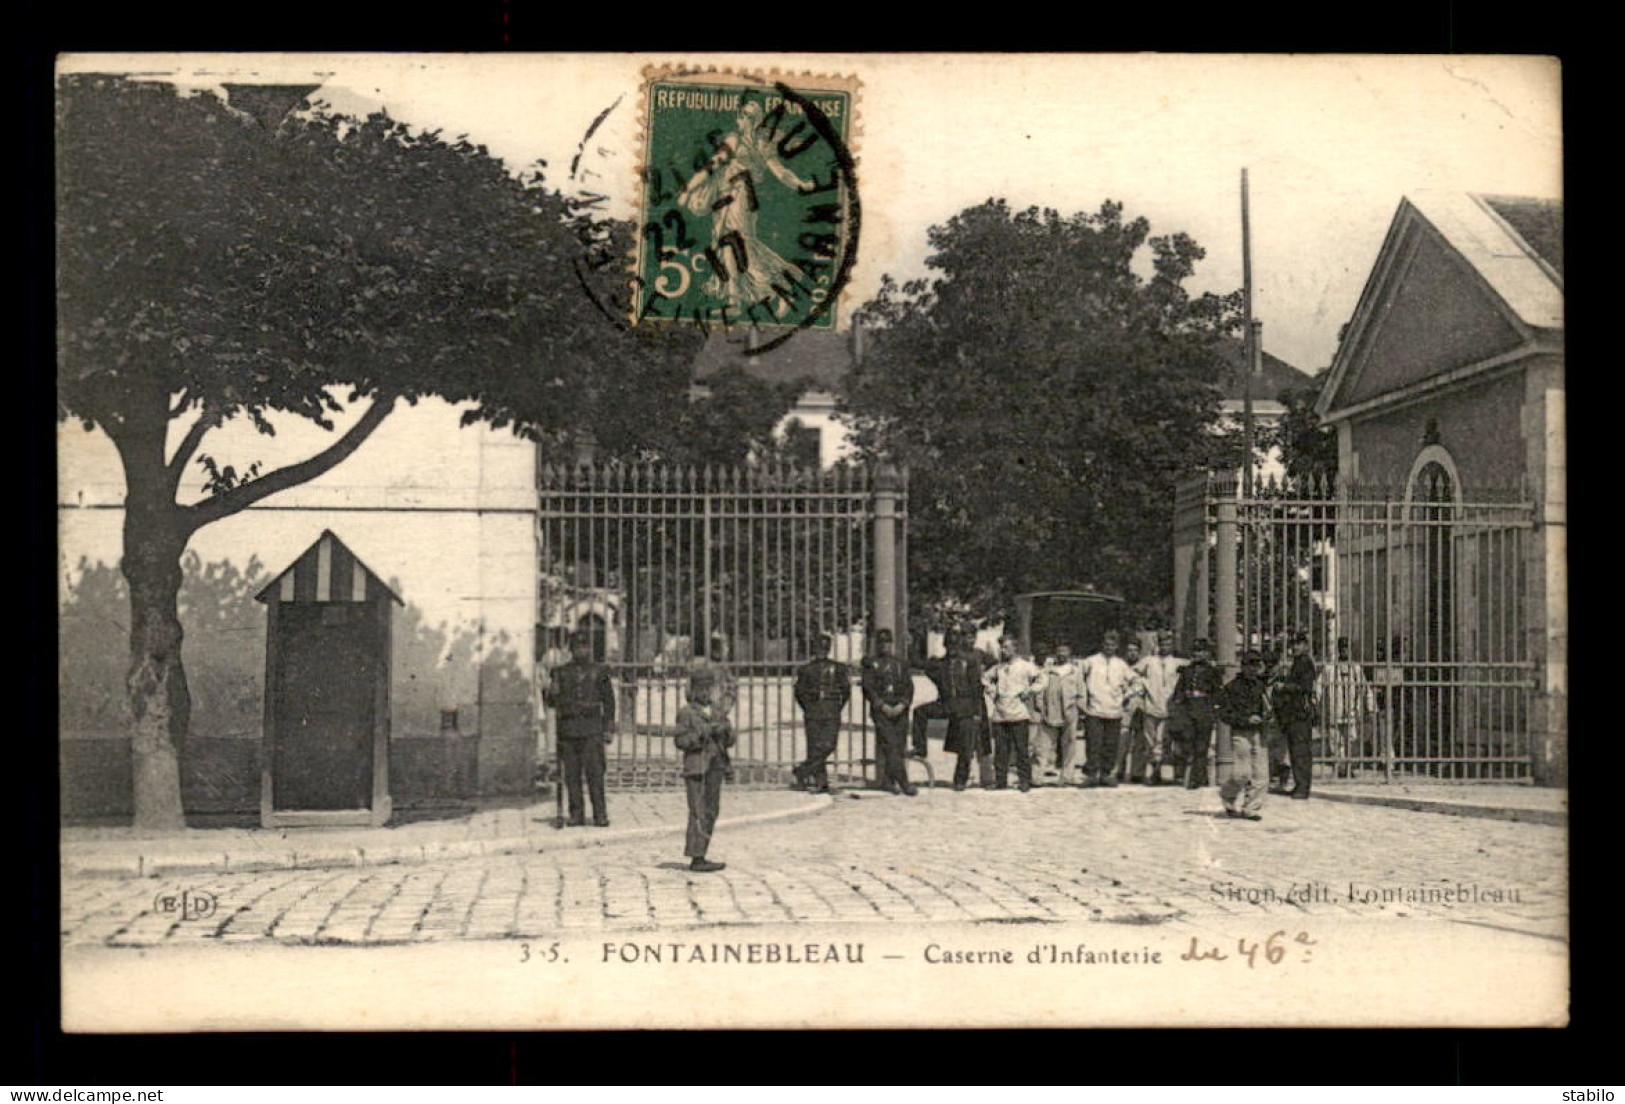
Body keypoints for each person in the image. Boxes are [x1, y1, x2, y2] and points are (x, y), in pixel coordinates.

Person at [541, 629, 615, 827]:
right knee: (571, 775)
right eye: (577, 647)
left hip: (592, 729)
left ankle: (600, 814)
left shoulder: (600, 671)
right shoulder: (560, 672)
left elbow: (609, 702)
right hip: (568, 729)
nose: (582, 651)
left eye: (585, 646)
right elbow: (550, 702)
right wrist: (550, 691)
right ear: (571, 650)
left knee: (595, 773)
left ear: (590, 648)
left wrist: (608, 729)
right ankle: (576, 814)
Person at [674, 662, 735, 873]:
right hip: (697, 769)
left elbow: (730, 740)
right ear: (692, 690)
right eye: (701, 688)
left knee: (711, 810)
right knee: (698, 811)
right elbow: (681, 741)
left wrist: (725, 730)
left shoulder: (717, 711)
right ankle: (696, 856)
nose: (705, 693)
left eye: (709, 688)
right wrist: (703, 733)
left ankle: (703, 851)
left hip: (716, 766)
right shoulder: (686, 713)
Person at [1074, 630, 1140, 788]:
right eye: (1106, 644)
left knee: (1111, 745)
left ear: (1117, 646)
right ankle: (1091, 775)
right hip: (1094, 709)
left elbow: (1136, 682)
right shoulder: (1090, 662)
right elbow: (1079, 682)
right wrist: (1083, 701)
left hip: (1114, 710)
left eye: (1113, 644)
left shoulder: (1121, 664)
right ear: (1102, 644)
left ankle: (1106, 774)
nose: (1109, 647)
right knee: (1094, 744)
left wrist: (1126, 696)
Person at [982, 634, 1045, 792]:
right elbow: (984, 679)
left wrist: (1029, 692)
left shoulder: (1025, 666)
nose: (1003, 651)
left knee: (1021, 750)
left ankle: (1024, 780)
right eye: (1002, 648)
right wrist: (993, 692)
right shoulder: (999, 668)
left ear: (1015, 648)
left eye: (1007, 648)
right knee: (1001, 750)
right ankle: (1000, 781)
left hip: (1019, 713)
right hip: (1000, 714)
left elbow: (1042, 680)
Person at [1217, 650, 1272, 821]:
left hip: (1260, 732)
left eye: (1256, 665)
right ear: (1243, 666)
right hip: (1241, 732)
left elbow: (1268, 708)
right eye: (1250, 665)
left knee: (1261, 774)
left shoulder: (1261, 686)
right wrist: (1246, 719)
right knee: (1242, 773)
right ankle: (1227, 795)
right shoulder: (1231, 688)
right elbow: (1225, 714)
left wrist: (1266, 718)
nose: (1253, 669)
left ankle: (1251, 807)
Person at [793, 633, 851, 794]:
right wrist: (809, 707)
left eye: (825, 648)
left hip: (831, 709)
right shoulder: (806, 669)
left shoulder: (839, 668)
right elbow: (799, 692)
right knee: (814, 746)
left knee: (828, 745)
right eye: (819, 647)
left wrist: (837, 707)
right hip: (814, 710)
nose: (822, 651)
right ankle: (821, 781)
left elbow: (846, 690)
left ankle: (802, 770)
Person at [862, 628, 917, 796]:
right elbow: (868, 687)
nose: (885, 646)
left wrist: (903, 704)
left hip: (900, 708)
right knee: (890, 745)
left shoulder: (900, 663)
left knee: (897, 746)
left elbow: (909, 686)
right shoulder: (871, 664)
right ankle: (904, 782)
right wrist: (881, 705)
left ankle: (888, 780)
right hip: (882, 710)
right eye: (881, 642)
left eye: (887, 642)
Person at [1271, 631, 1319, 799]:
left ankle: (1303, 787)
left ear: (1306, 645)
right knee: (1296, 751)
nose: (1295, 647)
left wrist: (1284, 687)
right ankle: (1300, 784)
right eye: (1293, 644)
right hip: (1295, 713)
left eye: (1299, 644)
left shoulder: (1305, 662)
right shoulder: (1298, 662)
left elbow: (1304, 687)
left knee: (1300, 751)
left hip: (1300, 713)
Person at [1169, 638, 1222, 788]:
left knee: (1202, 746)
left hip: (1204, 708)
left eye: (1201, 651)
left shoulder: (1212, 672)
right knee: (1187, 743)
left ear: (1207, 653)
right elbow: (1179, 690)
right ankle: (1187, 774)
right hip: (1188, 708)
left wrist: (1213, 709)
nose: (1197, 654)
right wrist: (1178, 704)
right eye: (1195, 651)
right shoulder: (1187, 670)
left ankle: (1198, 777)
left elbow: (1217, 693)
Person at [1317, 636, 1374, 777]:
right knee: (1335, 741)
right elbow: (1318, 687)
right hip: (1334, 711)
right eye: (1343, 648)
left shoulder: (1356, 669)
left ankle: (1348, 767)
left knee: (1351, 740)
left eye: (1347, 648)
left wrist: (1370, 708)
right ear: (1339, 650)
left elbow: (1366, 689)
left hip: (1351, 711)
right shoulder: (1329, 668)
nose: (1345, 651)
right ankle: (1339, 767)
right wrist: (1316, 704)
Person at [943, 627, 992, 791]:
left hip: (978, 699)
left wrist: (986, 676)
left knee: (983, 740)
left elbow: (994, 665)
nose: (970, 640)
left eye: (973, 637)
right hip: (963, 704)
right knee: (964, 741)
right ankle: (965, 776)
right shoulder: (956, 656)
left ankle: (987, 777)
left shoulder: (980, 654)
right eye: (967, 637)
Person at [1135, 631, 1185, 786]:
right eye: (1162, 644)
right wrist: (1142, 687)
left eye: (1168, 644)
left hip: (1168, 707)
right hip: (1151, 705)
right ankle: (1151, 771)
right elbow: (1133, 673)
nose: (1165, 647)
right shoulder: (1149, 661)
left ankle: (1165, 772)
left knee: (1163, 741)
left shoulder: (1177, 663)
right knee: (1149, 740)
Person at [1034, 643, 1081, 784]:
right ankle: (1037, 777)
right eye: (1059, 651)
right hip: (1049, 711)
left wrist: (1079, 708)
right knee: (1042, 746)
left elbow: (1081, 692)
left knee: (1069, 745)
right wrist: (1040, 706)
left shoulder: (1075, 671)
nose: (1062, 654)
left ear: (1070, 653)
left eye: (1065, 651)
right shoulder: (1047, 671)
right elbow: (1039, 689)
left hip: (1069, 711)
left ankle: (1067, 776)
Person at [910, 628, 957, 760]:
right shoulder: (939, 664)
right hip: (946, 704)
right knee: (919, 712)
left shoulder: (966, 662)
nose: (952, 648)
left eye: (954, 645)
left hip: (961, 707)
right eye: (950, 645)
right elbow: (917, 663)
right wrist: (913, 642)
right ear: (945, 646)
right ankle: (920, 747)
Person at [1115, 639, 1149, 784]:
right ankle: (1118, 770)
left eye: (1135, 650)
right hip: (1123, 705)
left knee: (1140, 740)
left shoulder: (1145, 666)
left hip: (1141, 704)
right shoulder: (1120, 667)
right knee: (1122, 739)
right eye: (1129, 650)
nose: (1132, 653)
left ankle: (1137, 772)